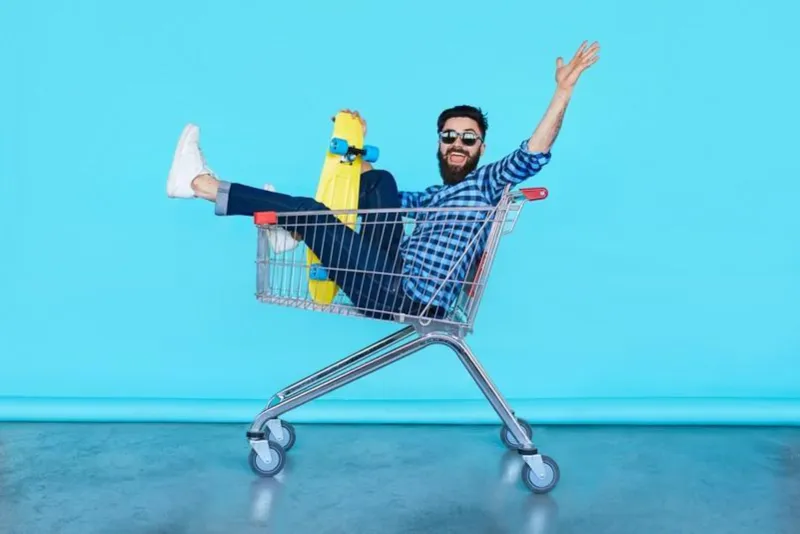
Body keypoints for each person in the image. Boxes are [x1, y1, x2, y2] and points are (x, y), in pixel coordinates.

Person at [166, 41, 600, 319]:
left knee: (315, 214)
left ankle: (201, 185)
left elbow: (534, 154)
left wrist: (563, 92)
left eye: (469, 138)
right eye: (450, 136)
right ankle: (293, 227)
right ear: (439, 143)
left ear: (481, 148)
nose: (458, 143)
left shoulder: (487, 184)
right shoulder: (436, 196)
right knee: (380, 182)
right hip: (388, 274)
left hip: (402, 295)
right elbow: (367, 196)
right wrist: (354, 144)